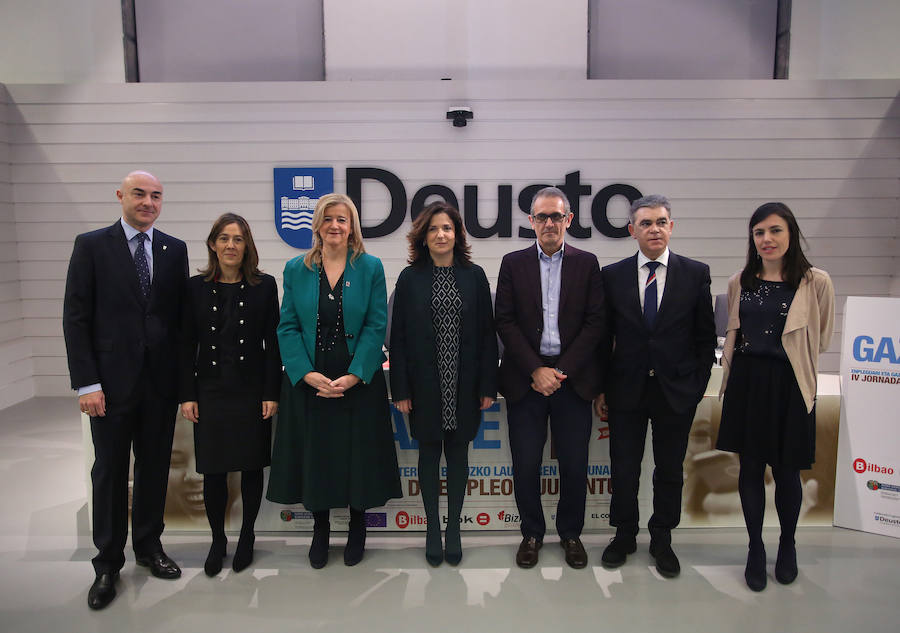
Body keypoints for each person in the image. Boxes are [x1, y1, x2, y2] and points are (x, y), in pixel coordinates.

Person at [63, 171, 188, 610]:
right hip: (110, 387)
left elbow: (178, 321)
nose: (148, 202)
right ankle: (107, 564)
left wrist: (183, 384)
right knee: (110, 473)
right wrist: (87, 383)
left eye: (156, 195)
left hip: (159, 386)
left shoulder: (174, 249)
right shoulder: (92, 246)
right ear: (120, 196)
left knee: (154, 470)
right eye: (139, 194)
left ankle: (150, 547)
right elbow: (76, 317)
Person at [267, 193, 402, 568]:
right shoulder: (296, 268)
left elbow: (376, 324)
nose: (335, 226)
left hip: (358, 377)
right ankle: (321, 529)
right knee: (317, 455)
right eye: (328, 219)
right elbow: (287, 326)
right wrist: (307, 374)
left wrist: (355, 375)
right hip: (311, 378)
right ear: (317, 225)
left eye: (342, 219)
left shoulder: (371, 267)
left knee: (358, 455)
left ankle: (358, 527)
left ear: (352, 226)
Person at [715, 202, 834, 592]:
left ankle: (787, 544)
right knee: (750, 469)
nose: (767, 239)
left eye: (775, 230)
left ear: (791, 233)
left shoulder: (816, 282)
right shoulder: (740, 281)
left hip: (790, 384)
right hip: (747, 384)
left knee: (787, 471)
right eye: (759, 232)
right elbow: (734, 333)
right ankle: (755, 548)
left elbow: (821, 338)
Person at [597, 194, 715, 578]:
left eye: (661, 222)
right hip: (626, 390)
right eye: (646, 223)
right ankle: (624, 534)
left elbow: (704, 339)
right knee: (624, 468)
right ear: (632, 230)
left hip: (675, 393)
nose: (654, 229)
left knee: (668, 470)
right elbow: (603, 339)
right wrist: (601, 388)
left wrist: (695, 387)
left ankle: (662, 538)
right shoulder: (612, 276)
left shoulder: (695, 274)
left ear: (671, 227)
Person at [494, 186, 605, 570]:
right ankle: (532, 533)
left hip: (572, 381)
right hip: (526, 381)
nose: (549, 223)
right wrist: (535, 369)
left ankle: (571, 534)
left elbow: (595, 323)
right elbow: (504, 320)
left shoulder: (587, 263)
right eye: (542, 216)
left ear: (568, 220)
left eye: (556, 216)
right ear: (531, 221)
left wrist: (561, 371)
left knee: (574, 464)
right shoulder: (513, 263)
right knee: (526, 464)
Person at [389, 202, 498, 566]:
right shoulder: (409, 279)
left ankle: (454, 529)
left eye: (447, 228)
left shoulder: (475, 276)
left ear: (457, 234)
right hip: (424, 385)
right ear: (423, 236)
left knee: (458, 454)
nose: (441, 234)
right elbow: (398, 339)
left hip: (464, 385)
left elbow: (487, 335)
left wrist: (488, 386)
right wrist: (401, 390)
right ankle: (432, 528)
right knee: (429, 455)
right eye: (434, 229)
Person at [178, 213, 281, 576]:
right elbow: (184, 344)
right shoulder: (194, 287)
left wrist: (271, 392)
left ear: (247, 245)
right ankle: (218, 540)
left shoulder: (264, 286)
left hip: (251, 391)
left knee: (251, 467)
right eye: (224, 238)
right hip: (210, 391)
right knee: (214, 470)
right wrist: (187, 394)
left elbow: (273, 345)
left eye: (238, 239)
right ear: (212, 244)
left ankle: (247, 536)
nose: (231, 245)